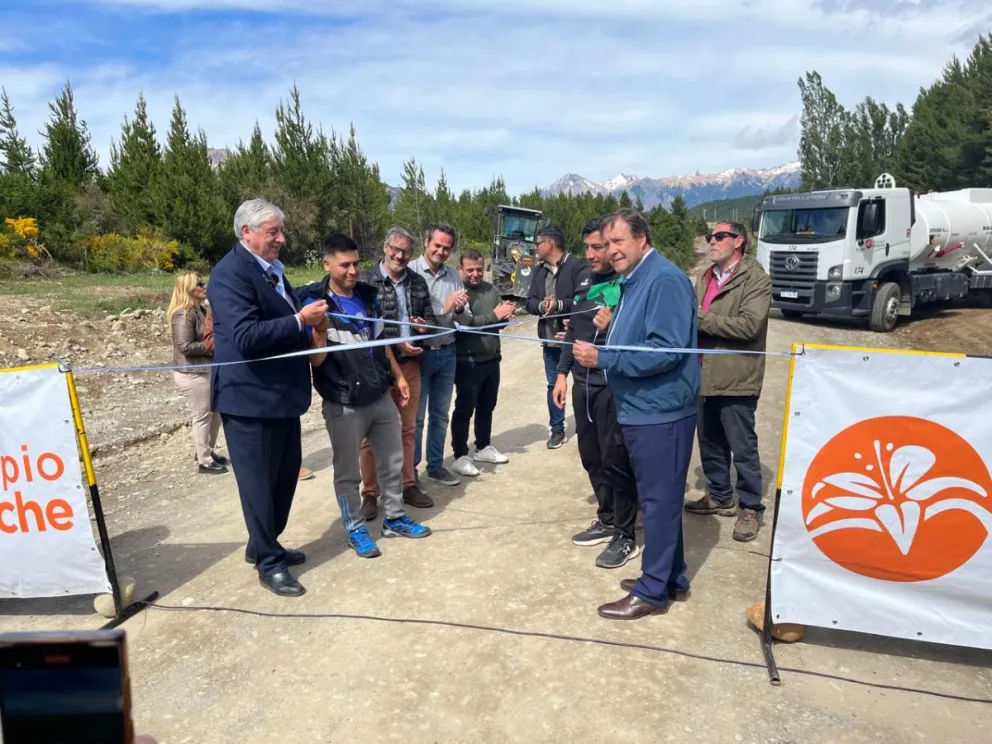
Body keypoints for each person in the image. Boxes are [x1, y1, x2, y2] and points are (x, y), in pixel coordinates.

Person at [572, 209, 699, 620]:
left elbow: (666, 349)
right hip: (643, 407)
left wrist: (604, 356)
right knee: (658, 499)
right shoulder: (636, 279)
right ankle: (670, 577)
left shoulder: (663, 278)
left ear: (642, 239)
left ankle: (651, 590)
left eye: (619, 242)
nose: (612, 251)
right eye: (607, 244)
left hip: (661, 409)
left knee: (659, 501)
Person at [207, 198, 329, 598]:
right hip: (248, 400)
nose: (281, 238)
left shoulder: (273, 271)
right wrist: (299, 320)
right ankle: (269, 563)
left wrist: (306, 318)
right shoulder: (229, 274)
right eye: (272, 231)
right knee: (258, 485)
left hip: (282, 397)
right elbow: (244, 338)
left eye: (280, 230)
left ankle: (263, 542)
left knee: (283, 479)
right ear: (247, 232)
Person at [301, 233, 432, 559]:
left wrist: (398, 376)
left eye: (356, 263)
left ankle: (395, 517)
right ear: (327, 264)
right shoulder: (316, 305)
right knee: (348, 474)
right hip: (343, 403)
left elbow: (380, 343)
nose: (352, 271)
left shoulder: (368, 297)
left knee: (392, 462)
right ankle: (356, 529)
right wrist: (318, 333)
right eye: (344, 265)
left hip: (379, 395)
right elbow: (315, 361)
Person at [553, 219, 640, 569]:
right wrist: (561, 374)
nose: (590, 254)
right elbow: (573, 330)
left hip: (612, 387)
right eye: (586, 247)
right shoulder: (584, 281)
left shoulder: (628, 285)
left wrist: (613, 325)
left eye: (597, 247)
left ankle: (625, 533)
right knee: (591, 456)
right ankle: (606, 519)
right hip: (581, 383)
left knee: (616, 461)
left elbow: (638, 341)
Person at [684, 221, 771, 542]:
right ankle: (720, 497)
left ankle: (750, 507)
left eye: (719, 236)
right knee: (709, 441)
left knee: (742, 446)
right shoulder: (703, 277)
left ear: (739, 241)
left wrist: (699, 319)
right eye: (710, 237)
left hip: (736, 376)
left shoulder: (756, 279)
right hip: (702, 373)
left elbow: (748, 326)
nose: (712, 242)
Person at [358, 227, 438, 518]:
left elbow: (429, 318)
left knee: (408, 428)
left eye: (405, 251)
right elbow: (365, 326)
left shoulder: (417, 282)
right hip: (376, 368)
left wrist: (422, 328)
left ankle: (408, 483)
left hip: (411, 363)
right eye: (396, 249)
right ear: (385, 247)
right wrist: (396, 340)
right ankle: (370, 492)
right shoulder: (366, 280)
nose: (400, 256)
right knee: (370, 434)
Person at [409, 223, 470, 487]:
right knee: (416, 417)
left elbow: (465, 316)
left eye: (447, 248)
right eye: (437, 246)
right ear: (426, 243)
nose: (441, 252)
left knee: (440, 413)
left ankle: (435, 465)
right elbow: (409, 315)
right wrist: (444, 309)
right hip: (418, 356)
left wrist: (457, 310)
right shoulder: (409, 271)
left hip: (447, 352)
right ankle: (410, 473)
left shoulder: (454, 276)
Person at [450, 249, 516, 477]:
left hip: (491, 359)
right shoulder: (459, 293)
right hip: (468, 361)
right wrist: (495, 317)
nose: (476, 274)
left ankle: (483, 446)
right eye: (470, 270)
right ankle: (459, 455)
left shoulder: (491, 289)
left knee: (487, 405)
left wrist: (505, 315)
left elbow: (497, 323)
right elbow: (466, 323)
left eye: (479, 269)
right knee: (464, 409)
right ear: (461, 269)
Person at [525, 225, 587, 449]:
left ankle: (585, 424)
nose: (535, 248)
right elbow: (529, 302)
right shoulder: (539, 271)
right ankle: (557, 429)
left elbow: (584, 301)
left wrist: (559, 305)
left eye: (538, 244)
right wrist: (541, 305)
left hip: (575, 340)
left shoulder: (577, 268)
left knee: (582, 384)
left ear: (549, 244)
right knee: (554, 385)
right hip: (550, 342)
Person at [167, 271, 227, 475]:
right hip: (192, 373)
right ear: (188, 289)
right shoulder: (182, 314)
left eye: (203, 282)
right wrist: (213, 346)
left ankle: (206, 451)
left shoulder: (199, 310)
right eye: (199, 284)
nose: (204, 286)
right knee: (202, 416)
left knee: (215, 414)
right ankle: (204, 461)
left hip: (204, 369)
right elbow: (185, 346)